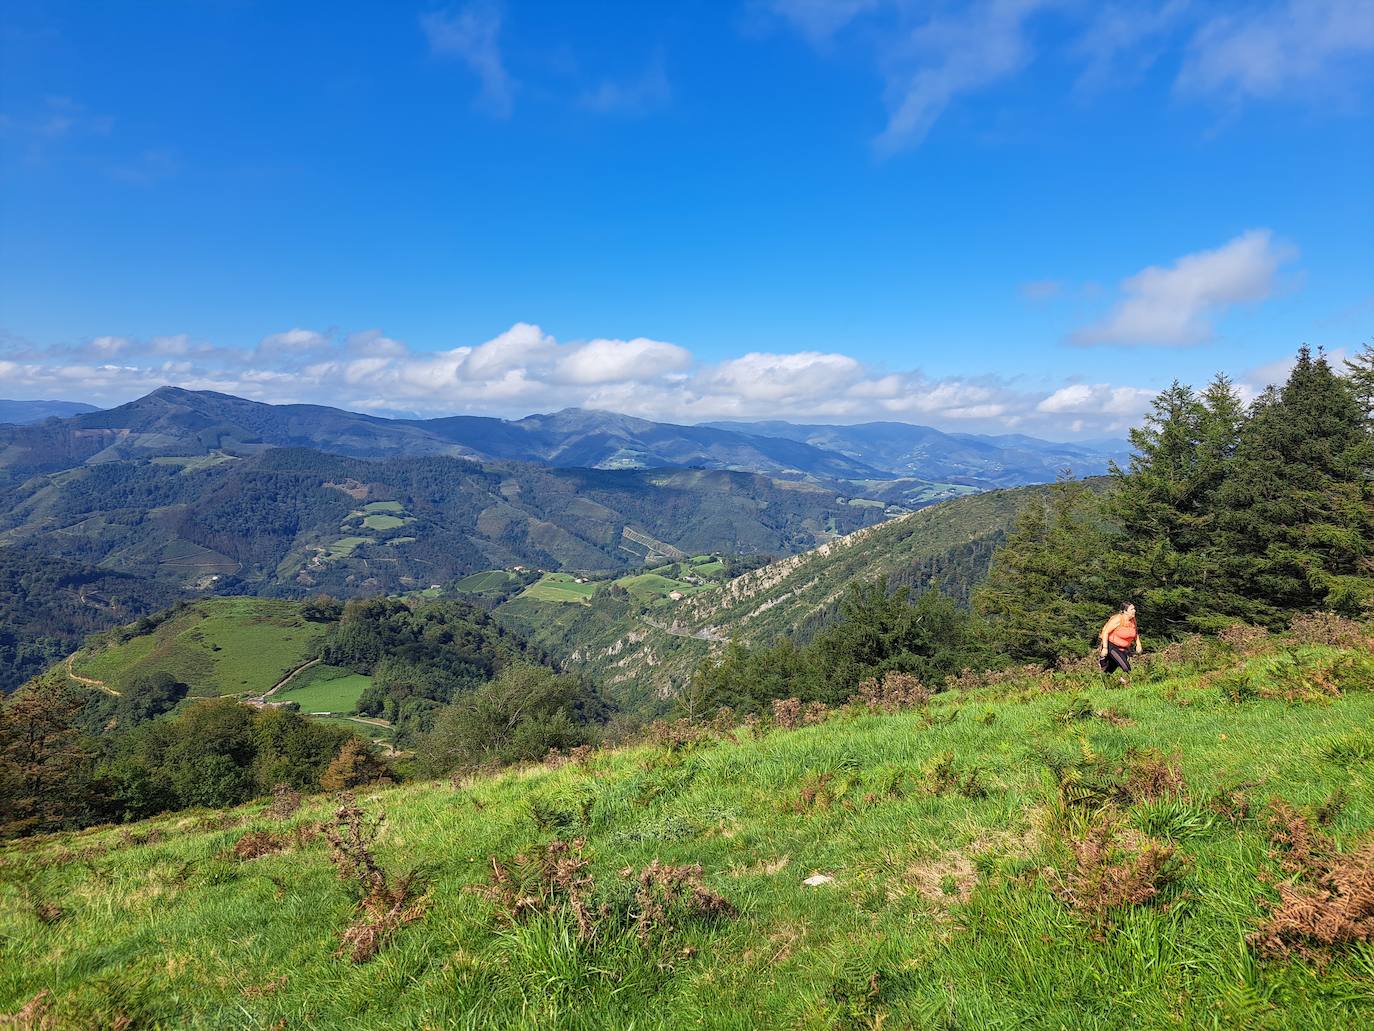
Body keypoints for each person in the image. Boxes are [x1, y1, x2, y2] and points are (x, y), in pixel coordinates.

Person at [1099, 603, 1142, 681]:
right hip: (1111, 645)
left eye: (1134, 609)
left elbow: (1135, 632)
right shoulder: (1118, 619)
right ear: (1125, 611)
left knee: (1110, 669)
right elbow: (1105, 632)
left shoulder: (1133, 620)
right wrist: (1105, 648)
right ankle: (1126, 682)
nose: (1134, 611)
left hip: (1124, 648)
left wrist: (1138, 644)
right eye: (1132, 609)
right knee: (1126, 667)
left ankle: (1103, 682)